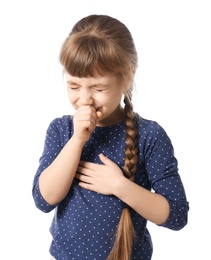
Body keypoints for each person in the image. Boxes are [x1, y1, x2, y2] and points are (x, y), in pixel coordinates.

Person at [32, 14, 189, 260]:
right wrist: (77, 140)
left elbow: (177, 215)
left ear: (127, 77)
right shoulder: (61, 130)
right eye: (74, 86)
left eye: (98, 88)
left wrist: (120, 186)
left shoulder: (150, 136)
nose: (84, 98)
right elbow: (44, 200)